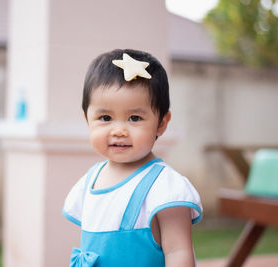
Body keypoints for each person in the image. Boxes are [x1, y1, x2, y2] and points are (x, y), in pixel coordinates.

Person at [62, 49, 202, 267]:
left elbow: (178, 251)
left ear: (162, 123)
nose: (119, 130)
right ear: (87, 119)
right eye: (105, 117)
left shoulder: (164, 187)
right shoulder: (90, 182)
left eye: (134, 118)